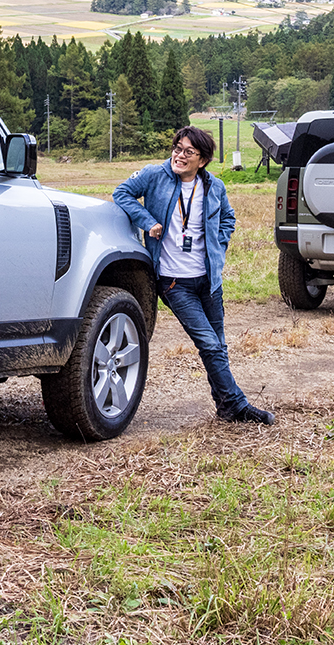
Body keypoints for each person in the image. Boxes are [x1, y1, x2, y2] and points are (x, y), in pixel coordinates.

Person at [113, 126, 274, 425]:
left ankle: (225, 407)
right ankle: (239, 405)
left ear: (202, 160)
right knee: (209, 344)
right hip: (175, 282)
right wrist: (147, 222)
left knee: (219, 345)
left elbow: (228, 218)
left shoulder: (215, 186)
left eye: (188, 151)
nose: (179, 155)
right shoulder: (155, 175)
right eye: (177, 148)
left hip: (209, 280)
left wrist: (219, 245)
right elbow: (121, 193)